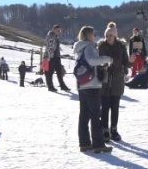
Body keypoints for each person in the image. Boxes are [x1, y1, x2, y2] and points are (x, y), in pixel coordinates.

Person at [73, 26, 113, 154]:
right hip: (92, 85)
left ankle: (84, 143)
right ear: (88, 35)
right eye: (93, 33)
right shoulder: (89, 46)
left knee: (84, 115)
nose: (94, 35)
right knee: (96, 115)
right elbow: (92, 61)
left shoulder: (79, 48)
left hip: (82, 85)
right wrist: (107, 59)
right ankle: (98, 144)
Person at [98, 22, 133, 143]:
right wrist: (102, 67)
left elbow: (126, 63)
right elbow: (98, 62)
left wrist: (130, 61)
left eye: (110, 35)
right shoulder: (101, 46)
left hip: (117, 80)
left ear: (115, 36)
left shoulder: (121, 47)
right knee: (105, 107)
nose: (108, 38)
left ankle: (114, 129)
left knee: (115, 107)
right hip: (105, 80)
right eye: (107, 35)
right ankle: (104, 130)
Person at [45, 24, 70, 92]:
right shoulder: (50, 36)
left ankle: (62, 86)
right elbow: (49, 47)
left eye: (60, 30)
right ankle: (50, 86)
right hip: (51, 57)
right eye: (58, 30)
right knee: (49, 73)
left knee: (59, 71)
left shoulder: (56, 37)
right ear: (54, 29)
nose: (59, 32)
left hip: (56, 56)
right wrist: (49, 58)